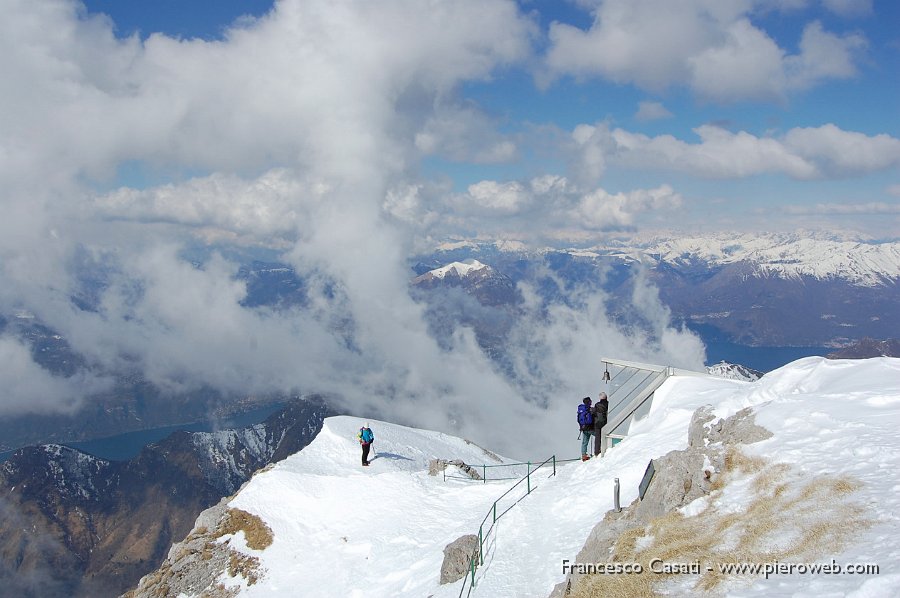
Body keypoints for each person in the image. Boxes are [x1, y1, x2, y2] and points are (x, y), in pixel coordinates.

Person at [592, 392, 609, 456]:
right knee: (605, 436)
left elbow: (593, 413)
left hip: (597, 423)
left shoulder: (597, 404)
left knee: (597, 437)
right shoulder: (608, 404)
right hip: (605, 422)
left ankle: (596, 452)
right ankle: (605, 449)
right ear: (606, 397)